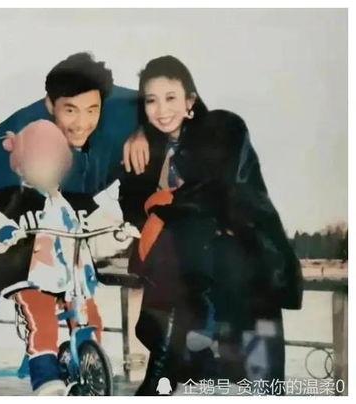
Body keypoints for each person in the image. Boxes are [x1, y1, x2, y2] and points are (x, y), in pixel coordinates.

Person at [0, 52, 149, 395]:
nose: (81, 123)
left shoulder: (125, 108)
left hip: (76, 205)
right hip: (18, 205)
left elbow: (178, 105)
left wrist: (145, 132)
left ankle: (83, 355)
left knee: (87, 299)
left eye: (92, 110)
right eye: (69, 111)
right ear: (50, 104)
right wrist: (4, 233)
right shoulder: (14, 137)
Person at [120, 56, 303, 395]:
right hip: (189, 296)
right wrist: (138, 134)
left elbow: (219, 191)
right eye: (151, 100)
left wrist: (163, 203)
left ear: (190, 101)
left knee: (260, 382)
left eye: (171, 98)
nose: (162, 110)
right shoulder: (150, 152)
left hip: (244, 278)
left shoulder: (221, 128)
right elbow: (133, 209)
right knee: (195, 377)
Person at [0, 120, 138, 395]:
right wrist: (3, 231)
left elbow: (98, 228)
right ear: (21, 167)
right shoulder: (10, 199)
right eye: (39, 163)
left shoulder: (74, 202)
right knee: (42, 318)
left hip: (72, 277)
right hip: (29, 277)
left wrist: (119, 232)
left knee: (89, 316)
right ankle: (45, 377)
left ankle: (84, 360)